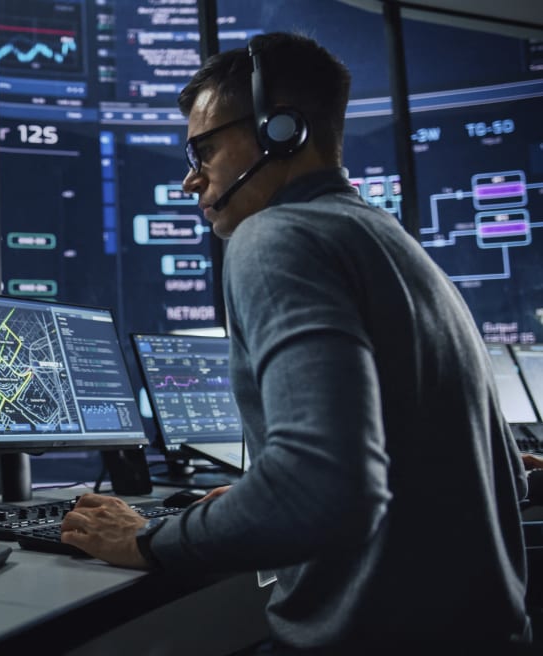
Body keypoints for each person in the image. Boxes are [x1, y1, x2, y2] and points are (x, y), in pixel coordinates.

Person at [60, 32, 531, 654]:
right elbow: (503, 479)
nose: (190, 181)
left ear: (281, 131)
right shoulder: (394, 244)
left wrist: (147, 540)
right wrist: (260, 499)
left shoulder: (276, 236)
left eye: (203, 149)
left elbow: (320, 489)